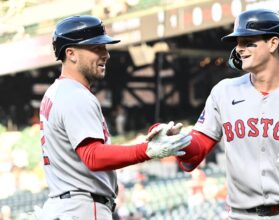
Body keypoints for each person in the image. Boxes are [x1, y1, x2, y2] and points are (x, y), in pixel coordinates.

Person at [159, 9, 279, 219]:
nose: (239, 49)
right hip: (240, 215)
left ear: (273, 43)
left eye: (248, 42)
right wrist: (179, 143)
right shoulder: (223, 92)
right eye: (237, 43)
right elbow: (197, 150)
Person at [37, 15, 191, 220]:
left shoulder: (55, 92)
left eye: (104, 47)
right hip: (82, 207)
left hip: (65, 205)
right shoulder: (75, 95)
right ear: (71, 53)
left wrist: (144, 142)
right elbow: (92, 156)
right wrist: (147, 150)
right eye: (96, 48)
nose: (106, 55)